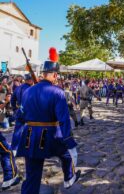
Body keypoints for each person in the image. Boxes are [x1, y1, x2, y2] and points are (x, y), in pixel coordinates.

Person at [16, 60, 80, 194]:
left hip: (29, 138)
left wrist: (16, 141)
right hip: (50, 137)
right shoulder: (57, 92)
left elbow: (20, 116)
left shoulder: (27, 91)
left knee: (32, 177)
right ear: (55, 75)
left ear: (43, 73)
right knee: (67, 154)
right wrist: (69, 139)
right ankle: (69, 178)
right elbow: (63, 119)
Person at [11, 73, 34, 154]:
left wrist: (14, 109)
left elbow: (12, 99)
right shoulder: (31, 89)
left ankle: (14, 148)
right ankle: (26, 148)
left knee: (17, 131)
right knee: (29, 130)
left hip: (19, 111)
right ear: (30, 80)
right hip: (28, 112)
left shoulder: (18, 88)